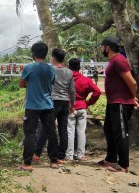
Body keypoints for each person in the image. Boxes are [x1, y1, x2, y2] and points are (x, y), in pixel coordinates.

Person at [96, 36, 139, 172]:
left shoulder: (119, 60)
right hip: (113, 102)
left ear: (107, 48)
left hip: (121, 102)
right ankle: (111, 159)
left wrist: (133, 98)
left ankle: (123, 165)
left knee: (120, 133)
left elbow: (132, 82)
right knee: (109, 130)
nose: (101, 49)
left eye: (102, 47)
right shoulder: (113, 61)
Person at [19, 42, 59, 171]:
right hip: (48, 105)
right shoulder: (50, 68)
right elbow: (51, 83)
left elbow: (21, 84)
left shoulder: (29, 68)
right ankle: (53, 161)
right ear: (46, 53)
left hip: (32, 106)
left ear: (33, 53)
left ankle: (27, 163)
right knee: (51, 133)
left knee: (30, 134)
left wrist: (28, 85)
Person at [34, 48, 75, 163]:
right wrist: (72, 104)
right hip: (65, 102)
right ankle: (61, 156)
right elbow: (72, 90)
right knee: (63, 129)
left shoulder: (50, 69)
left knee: (45, 127)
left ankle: (37, 153)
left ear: (53, 58)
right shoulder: (69, 72)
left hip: (52, 102)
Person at [66, 58, 101, 161]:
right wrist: (88, 102)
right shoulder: (86, 80)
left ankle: (69, 155)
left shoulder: (66, 79)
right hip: (82, 107)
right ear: (80, 68)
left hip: (70, 107)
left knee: (70, 131)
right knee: (81, 132)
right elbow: (97, 92)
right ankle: (80, 155)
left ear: (69, 67)